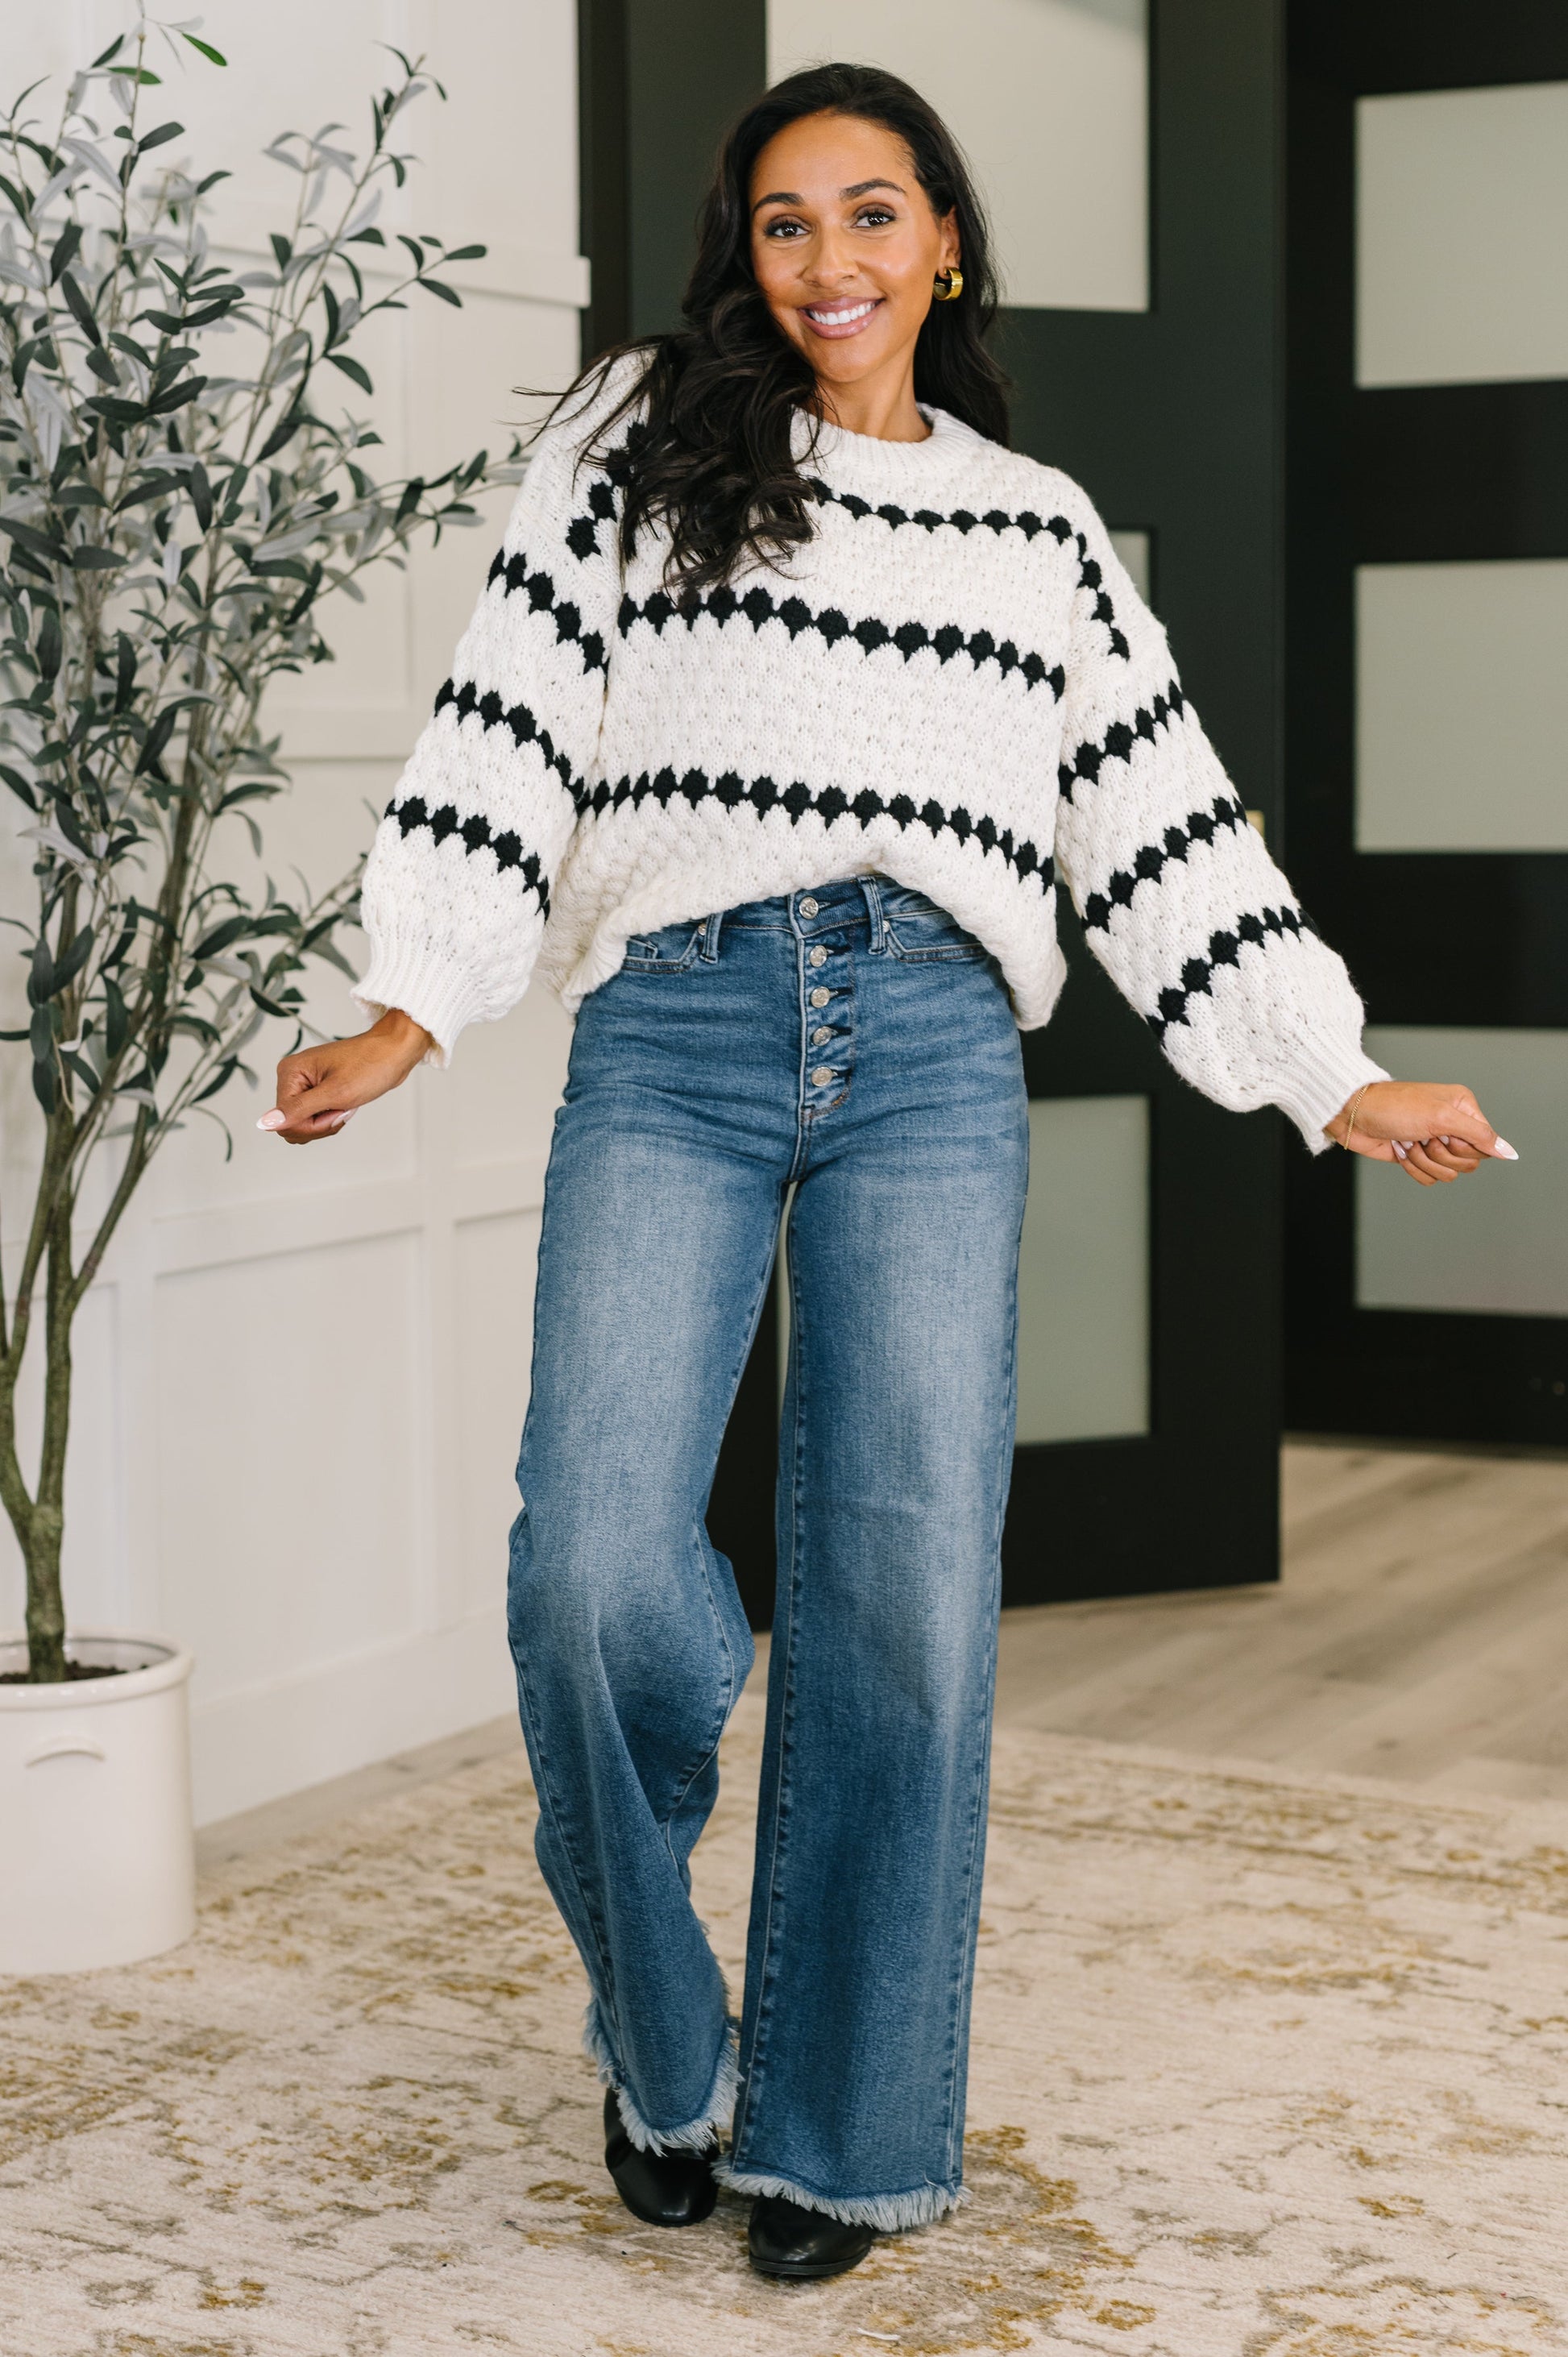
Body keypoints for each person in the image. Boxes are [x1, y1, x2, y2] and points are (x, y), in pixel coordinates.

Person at [259, 62, 1515, 2281]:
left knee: (904, 1603)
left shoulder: (1034, 532)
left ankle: (838, 2134)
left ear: (942, 240)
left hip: (930, 1047)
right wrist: (416, 997)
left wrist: (1331, 1077)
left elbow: (1159, 821)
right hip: (676, 1028)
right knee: (590, 1569)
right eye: (783, 222)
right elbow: (506, 721)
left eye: (868, 212)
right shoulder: (640, 447)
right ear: (743, 259)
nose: (827, 259)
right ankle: (665, 2045)